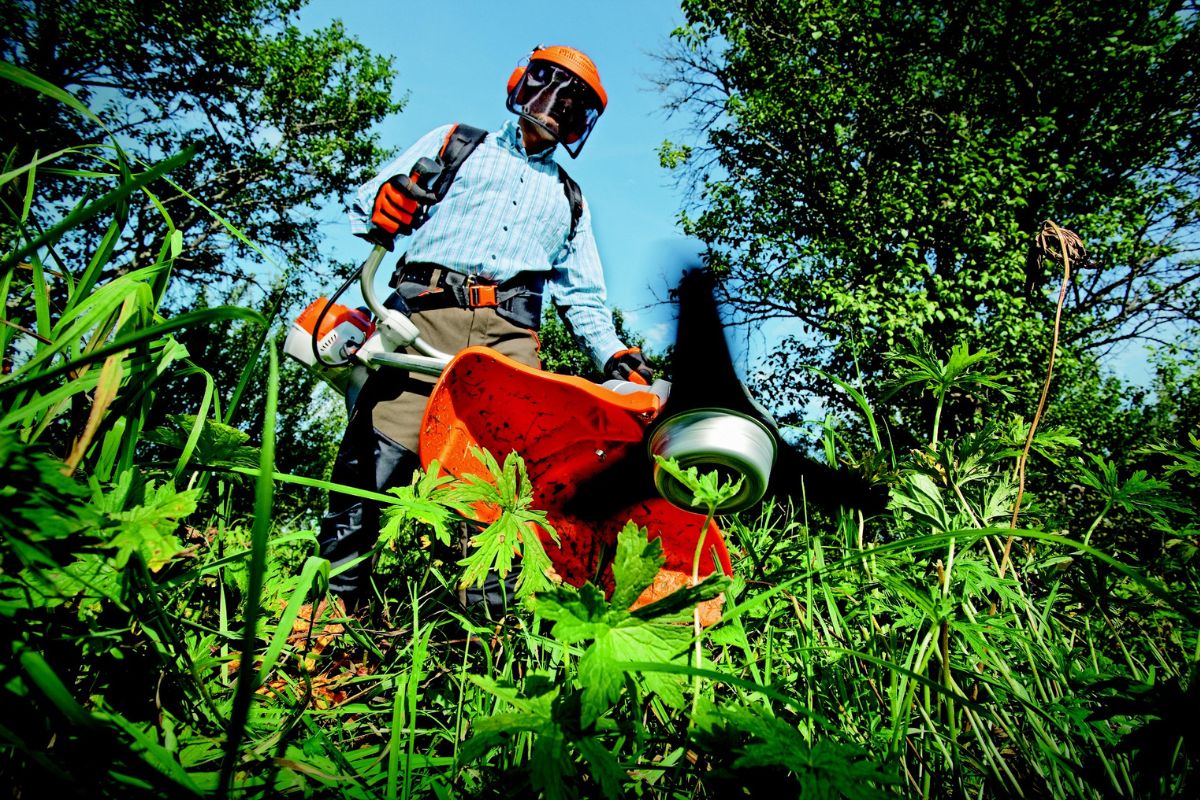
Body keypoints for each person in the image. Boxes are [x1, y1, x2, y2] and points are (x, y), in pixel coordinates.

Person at [317, 45, 653, 606]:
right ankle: (328, 611)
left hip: (509, 339)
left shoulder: (570, 198)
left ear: (582, 124)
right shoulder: (458, 143)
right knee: (375, 460)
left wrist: (612, 355)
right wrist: (387, 201)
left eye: (573, 106)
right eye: (547, 89)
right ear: (521, 84)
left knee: (508, 486)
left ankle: (480, 633)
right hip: (426, 313)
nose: (554, 109)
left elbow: (585, 297)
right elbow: (367, 202)